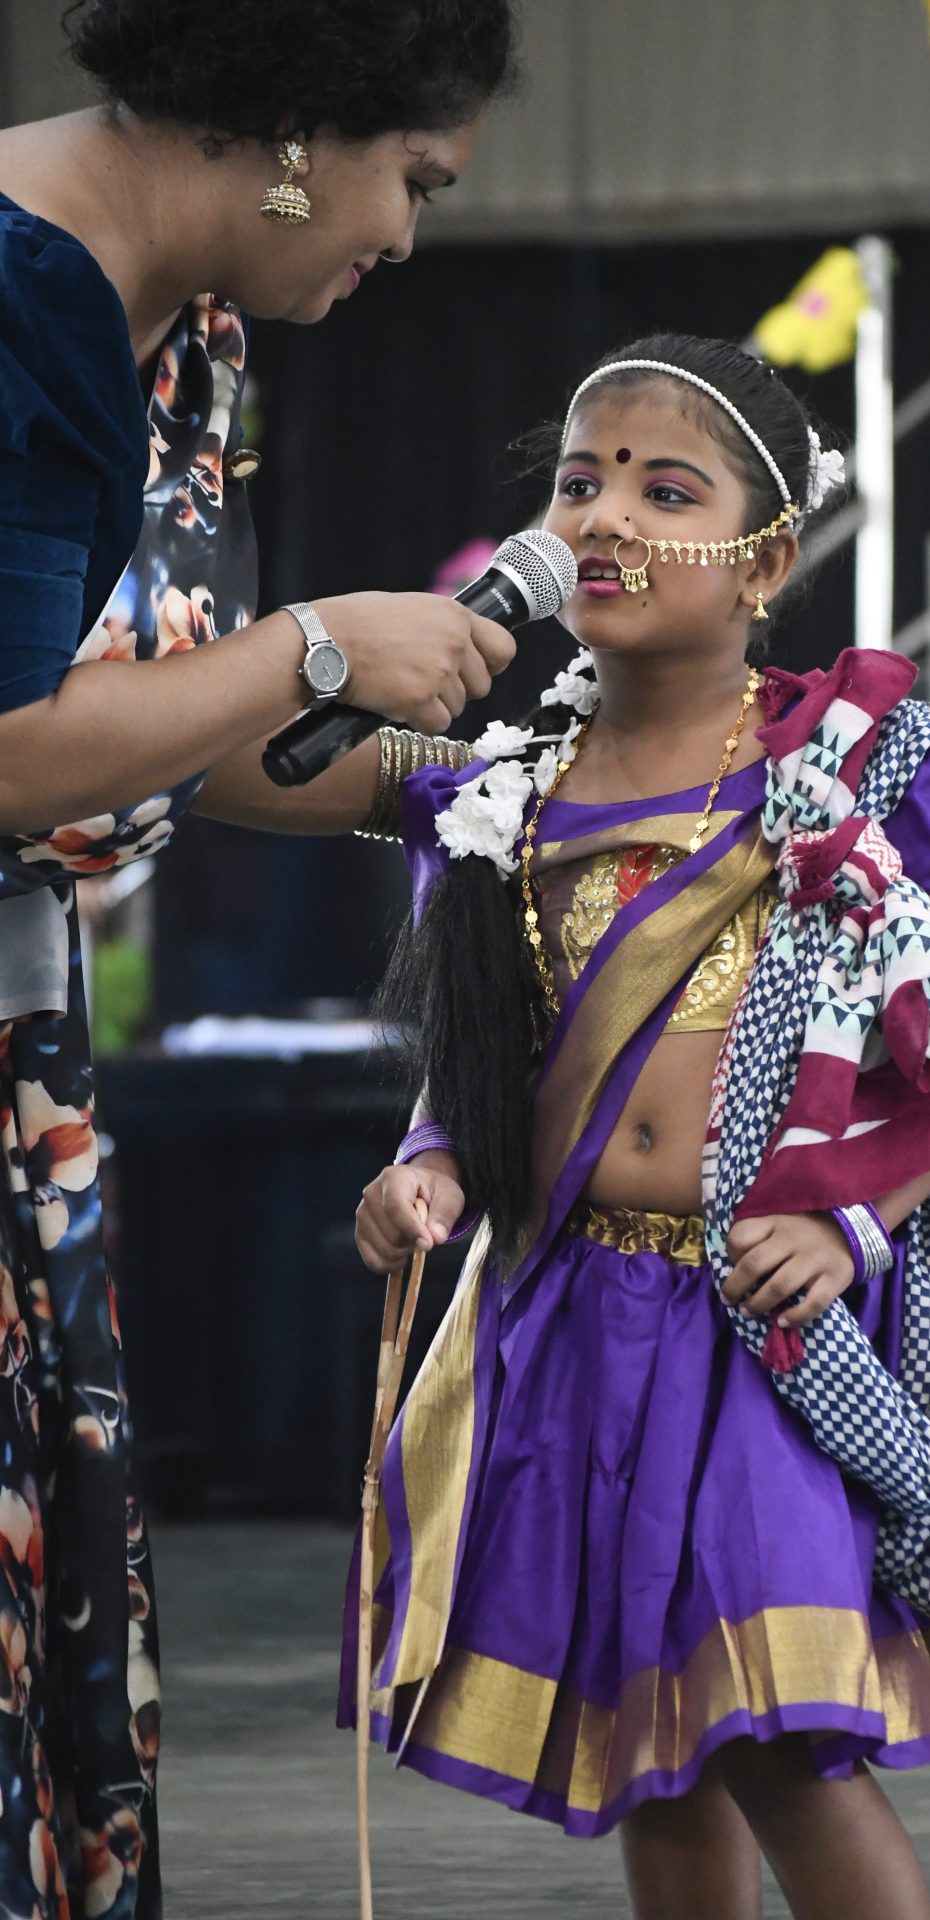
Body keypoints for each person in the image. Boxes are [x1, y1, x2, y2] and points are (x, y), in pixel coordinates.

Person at [345, 334, 930, 1920]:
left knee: (779, 1739)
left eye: (666, 490)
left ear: (767, 558)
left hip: (769, 1321)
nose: (605, 517)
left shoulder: (870, 765)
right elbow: (482, 1044)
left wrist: (851, 1219)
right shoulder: (503, 785)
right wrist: (429, 1164)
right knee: (648, 1740)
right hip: (578, 1316)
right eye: (579, 482)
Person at [0, 2, 521, 1912]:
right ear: (300, 125)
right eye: (416, 181)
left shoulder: (198, 322)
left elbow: (163, 732)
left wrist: (497, 798)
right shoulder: (16, 290)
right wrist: (313, 642)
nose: (405, 238)